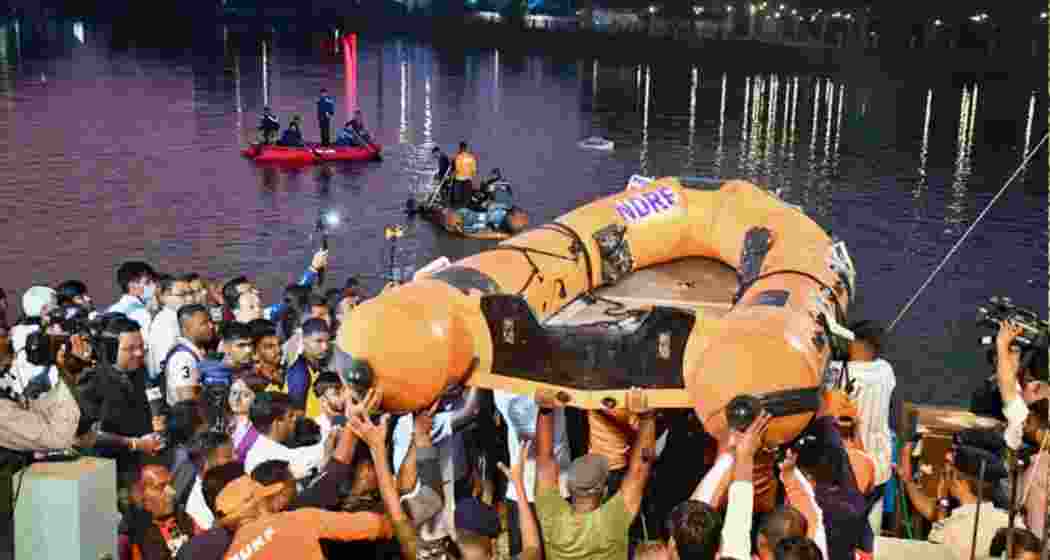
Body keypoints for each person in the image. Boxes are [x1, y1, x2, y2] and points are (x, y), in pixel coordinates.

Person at [534, 387, 656, 560]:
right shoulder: (613, 521)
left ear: (568, 486)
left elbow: (543, 461)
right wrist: (647, 417)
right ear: (605, 491)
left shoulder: (552, 517)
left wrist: (545, 410)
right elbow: (639, 470)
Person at [451, 142, 477, 208]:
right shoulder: (471, 157)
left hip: (459, 179)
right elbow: (474, 170)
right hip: (468, 179)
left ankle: (457, 209)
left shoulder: (458, 157)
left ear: (460, 148)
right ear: (466, 148)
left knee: (457, 196)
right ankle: (466, 208)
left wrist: (452, 175)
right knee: (466, 196)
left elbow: (457, 169)